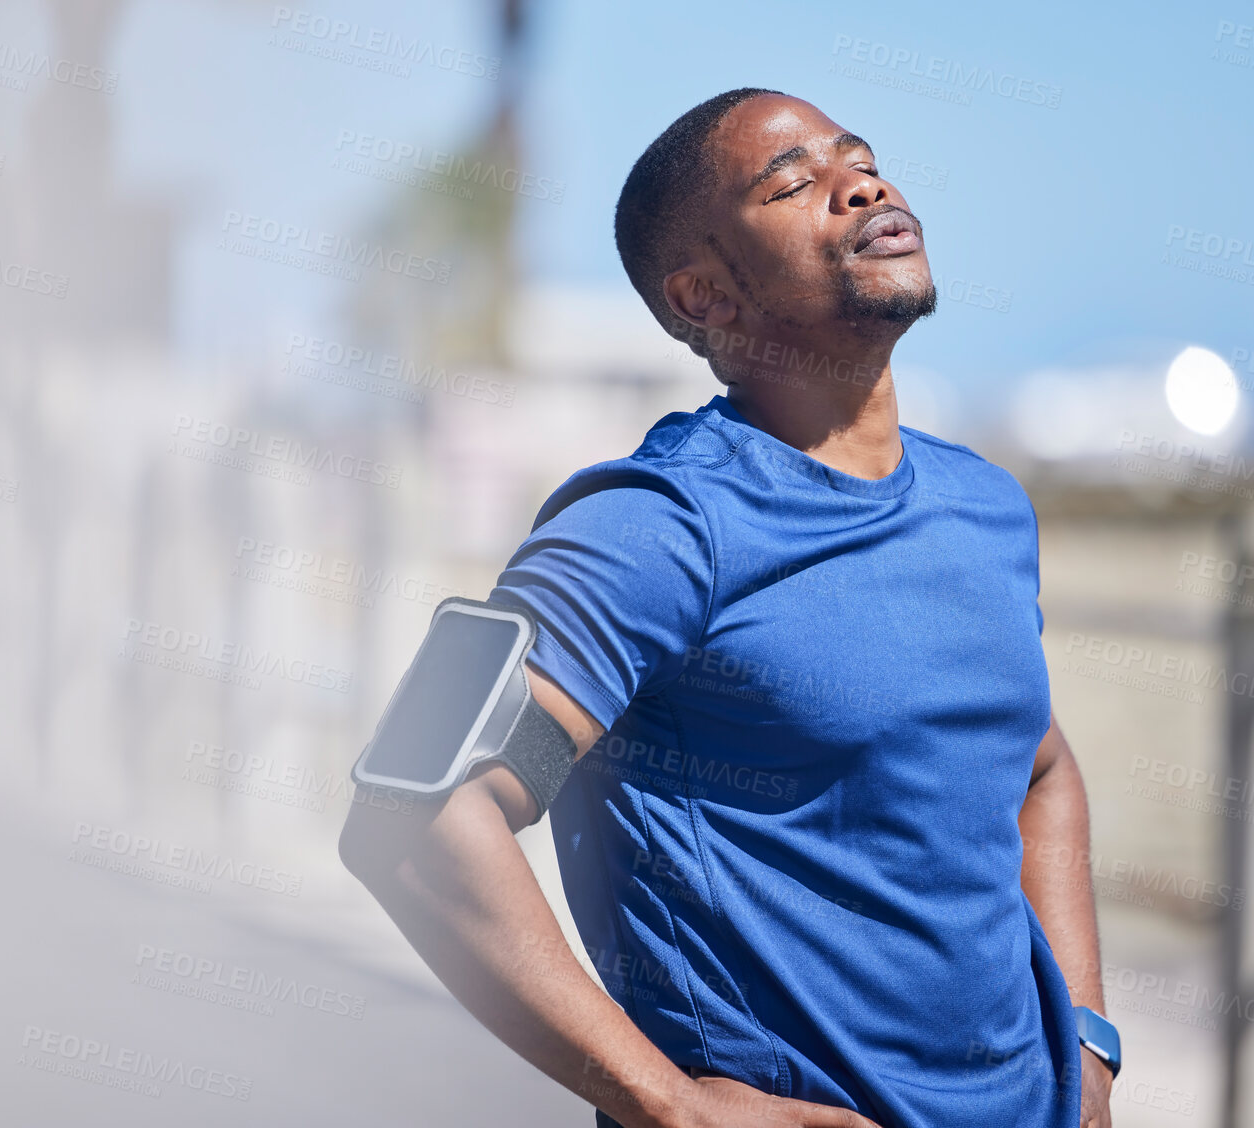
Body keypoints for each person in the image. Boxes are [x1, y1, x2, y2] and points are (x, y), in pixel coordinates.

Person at [340, 87, 1114, 1128]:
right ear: (705, 297)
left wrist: (1088, 1046)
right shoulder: (655, 524)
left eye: (861, 159)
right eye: (793, 183)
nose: (861, 187)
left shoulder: (986, 506)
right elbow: (416, 812)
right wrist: (671, 1106)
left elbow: (1041, 771)